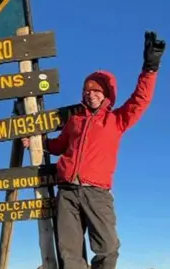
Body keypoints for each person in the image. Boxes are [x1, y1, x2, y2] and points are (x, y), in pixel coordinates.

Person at [22, 31, 165, 269]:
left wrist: (150, 68)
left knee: (108, 247)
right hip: (67, 191)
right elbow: (57, 146)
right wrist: (38, 142)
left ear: (107, 95)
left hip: (97, 192)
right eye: (87, 90)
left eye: (97, 90)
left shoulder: (117, 120)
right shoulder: (75, 122)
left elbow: (140, 99)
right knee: (70, 254)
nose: (91, 94)